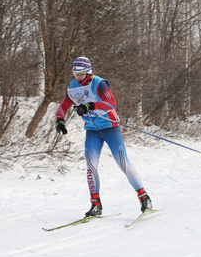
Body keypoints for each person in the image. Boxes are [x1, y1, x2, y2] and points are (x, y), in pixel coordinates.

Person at [55, 57, 152, 217]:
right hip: (92, 130)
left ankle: (144, 198)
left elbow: (111, 102)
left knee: (123, 163)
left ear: (88, 72)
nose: (78, 77)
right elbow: (64, 106)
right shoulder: (73, 86)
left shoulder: (99, 84)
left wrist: (90, 105)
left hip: (110, 128)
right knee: (91, 166)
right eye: (75, 74)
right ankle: (96, 204)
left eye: (81, 73)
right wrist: (59, 120)